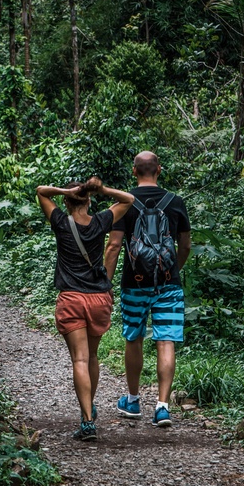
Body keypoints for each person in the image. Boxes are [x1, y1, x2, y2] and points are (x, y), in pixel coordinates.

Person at [37, 177, 135, 441]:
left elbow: (41, 191)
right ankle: (88, 412)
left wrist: (64, 190)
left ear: (67, 201)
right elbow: (128, 200)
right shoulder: (101, 221)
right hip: (98, 300)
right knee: (92, 356)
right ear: (89, 200)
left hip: (71, 299)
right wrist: (101, 189)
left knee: (79, 359)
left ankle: (88, 421)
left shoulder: (59, 221)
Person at [104, 151, 190, 427]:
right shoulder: (175, 201)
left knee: (134, 337)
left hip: (134, 282)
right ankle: (163, 407)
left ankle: (132, 400)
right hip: (168, 283)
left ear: (134, 171)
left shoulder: (124, 202)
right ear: (159, 170)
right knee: (166, 341)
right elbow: (185, 245)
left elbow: (115, 245)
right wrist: (172, 270)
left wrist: (105, 283)